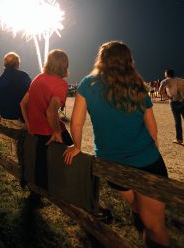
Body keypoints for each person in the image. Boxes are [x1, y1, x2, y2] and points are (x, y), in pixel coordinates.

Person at [64, 41, 169, 248]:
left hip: (111, 165)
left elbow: (77, 123)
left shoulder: (87, 84)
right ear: (128, 61)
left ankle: (142, 228)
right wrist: (153, 151)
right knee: (156, 226)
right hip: (146, 162)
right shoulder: (137, 85)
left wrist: (77, 145)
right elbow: (152, 128)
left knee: (137, 208)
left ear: (101, 60)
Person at [20, 49, 73, 189]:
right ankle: (71, 190)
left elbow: (23, 103)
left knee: (41, 163)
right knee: (74, 157)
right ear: (65, 65)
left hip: (36, 129)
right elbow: (51, 111)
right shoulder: (61, 84)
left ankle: (37, 193)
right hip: (49, 129)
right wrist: (56, 131)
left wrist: (28, 123)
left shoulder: (38, 78)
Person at [0, 52, 31, 130]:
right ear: (17, 64)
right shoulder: (23, 76)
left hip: (4, 118)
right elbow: (31, 96)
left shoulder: (0, 79)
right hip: (18, 120)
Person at [159, 69, 184, 145]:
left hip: (174, 102)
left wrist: (167, 97)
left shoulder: (165, 81)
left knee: (178, 121)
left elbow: (160, 91)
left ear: (167, 74)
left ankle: (179, 139)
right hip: (183, 101)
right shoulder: (180, 80)